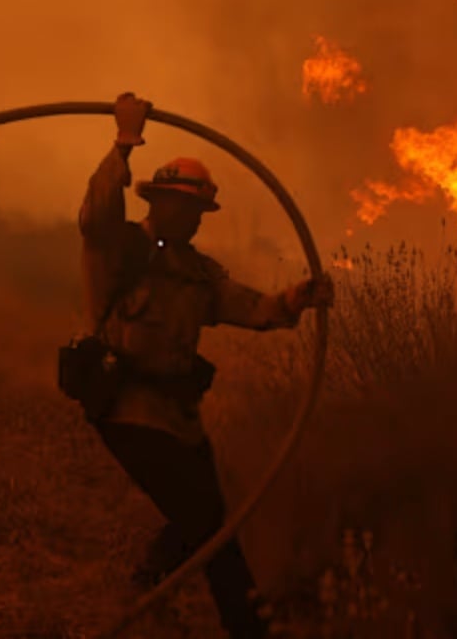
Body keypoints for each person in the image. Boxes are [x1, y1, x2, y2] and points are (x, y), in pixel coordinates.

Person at [78, 92, 333, 638]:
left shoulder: (199, 274)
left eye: (196, 211)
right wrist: (125, 143)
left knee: (208, 518)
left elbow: (256, 309)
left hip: (180, 421)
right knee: (208, 525)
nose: (189, 218)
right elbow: (96, 210)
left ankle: (143, 590)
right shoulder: (120, 248)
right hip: (126, 411)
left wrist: (300, 297)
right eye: (180, 206)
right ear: (157, 201)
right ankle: (248, 627)